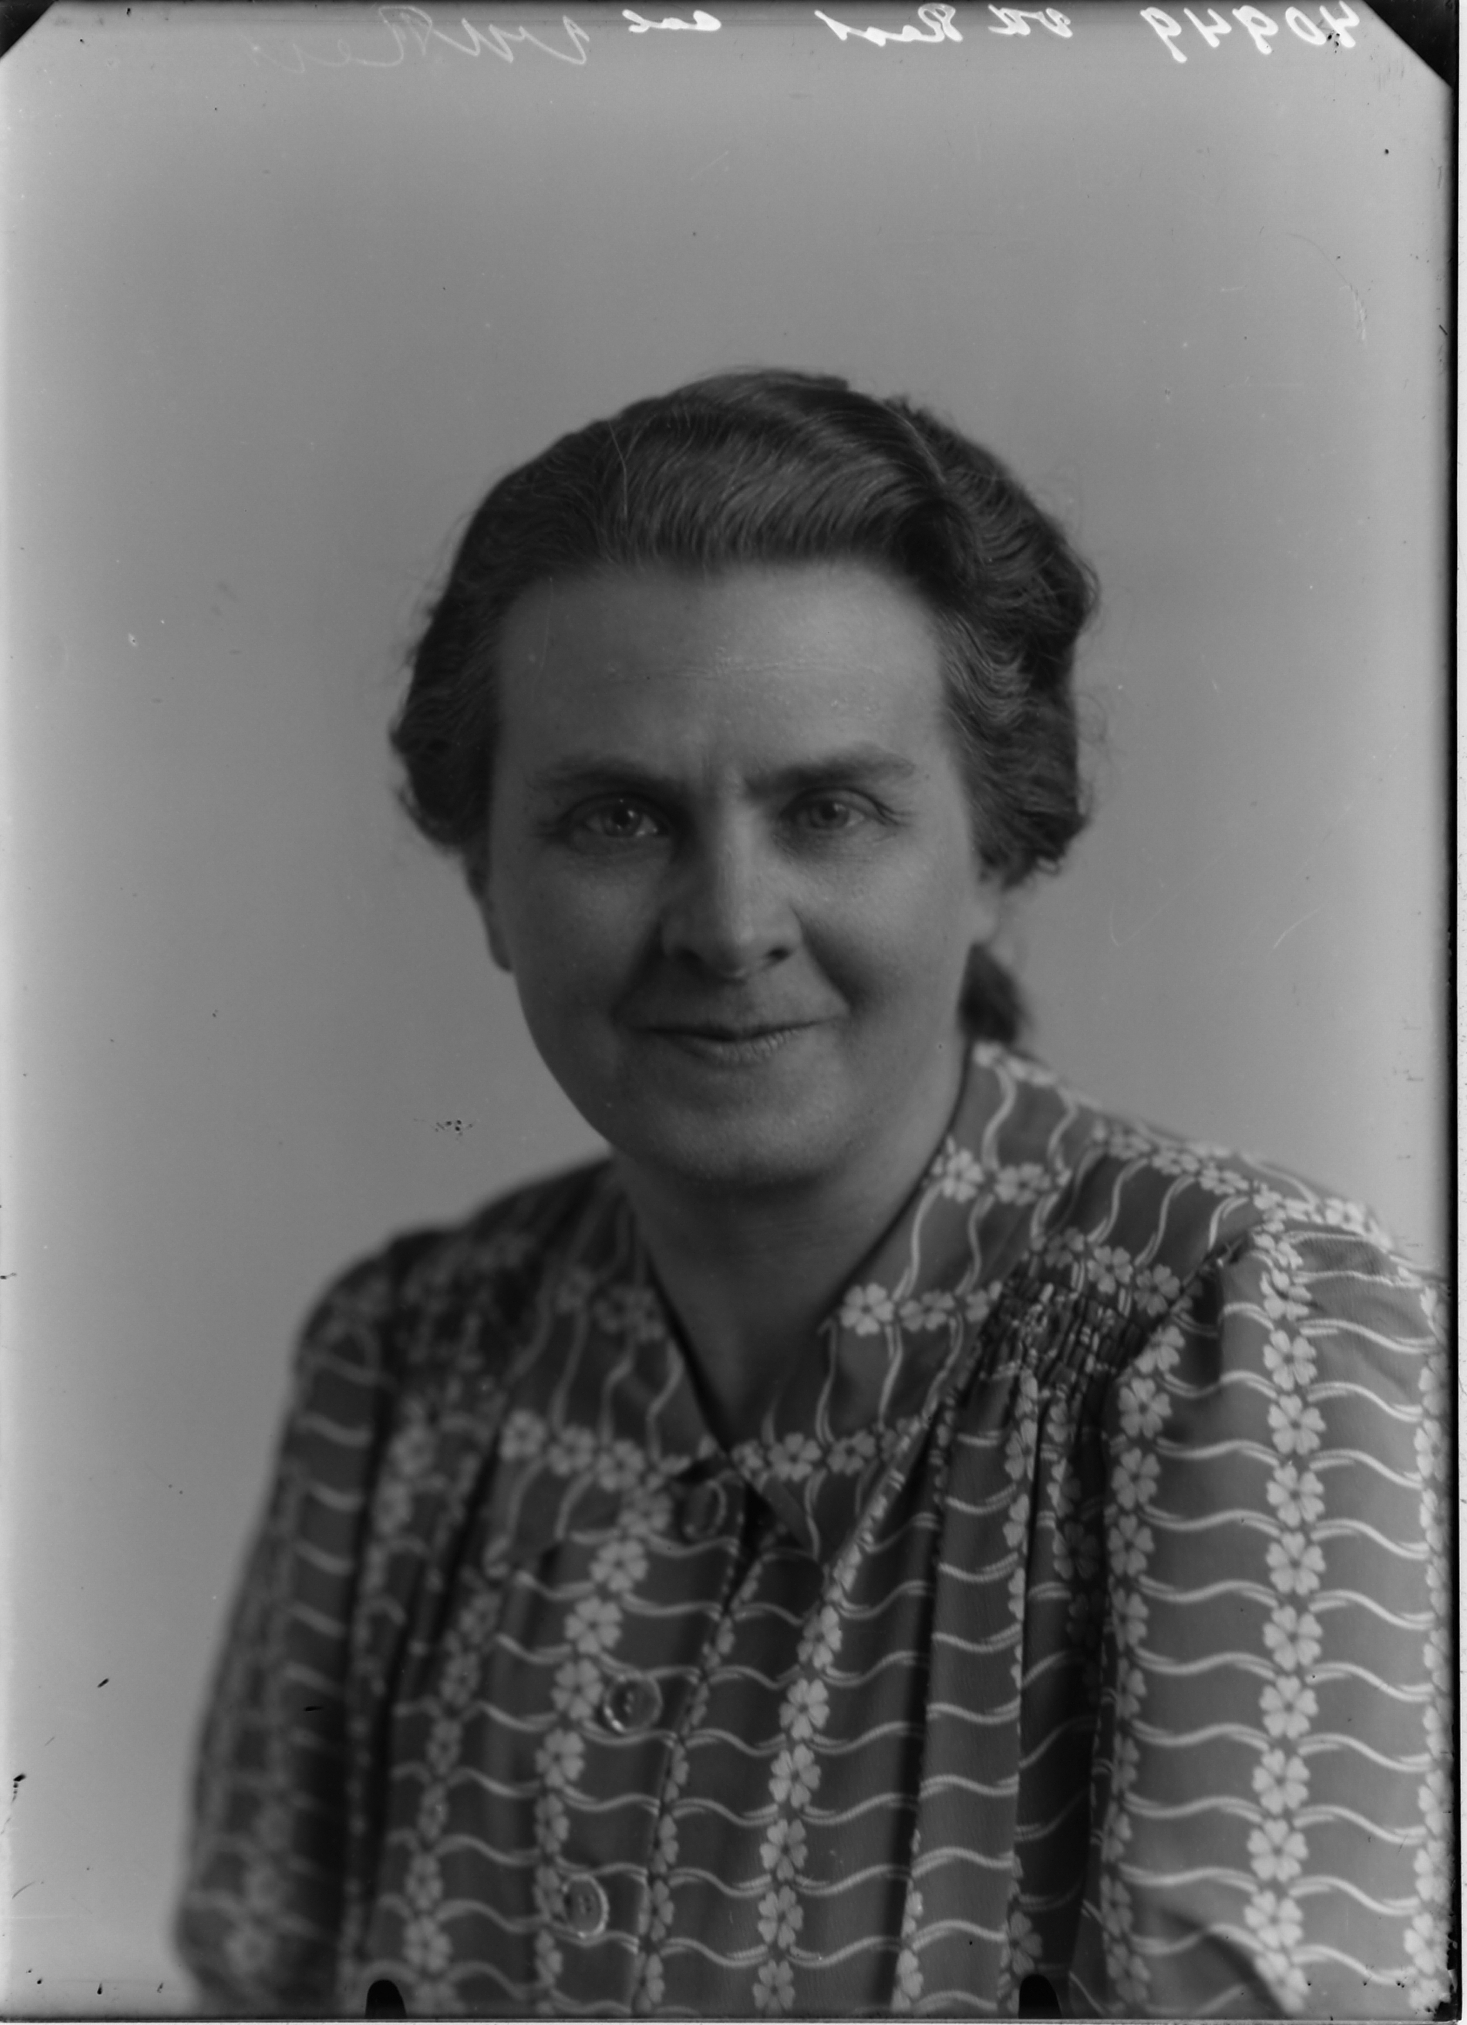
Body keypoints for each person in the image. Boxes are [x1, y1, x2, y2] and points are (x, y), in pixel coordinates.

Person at [175, 370, 1450, 2019]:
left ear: (994, 858)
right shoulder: (403, 1361)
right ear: (485, 872)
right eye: (616, 816)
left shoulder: (1240, 1337)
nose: (728, 923)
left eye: (830, 809)